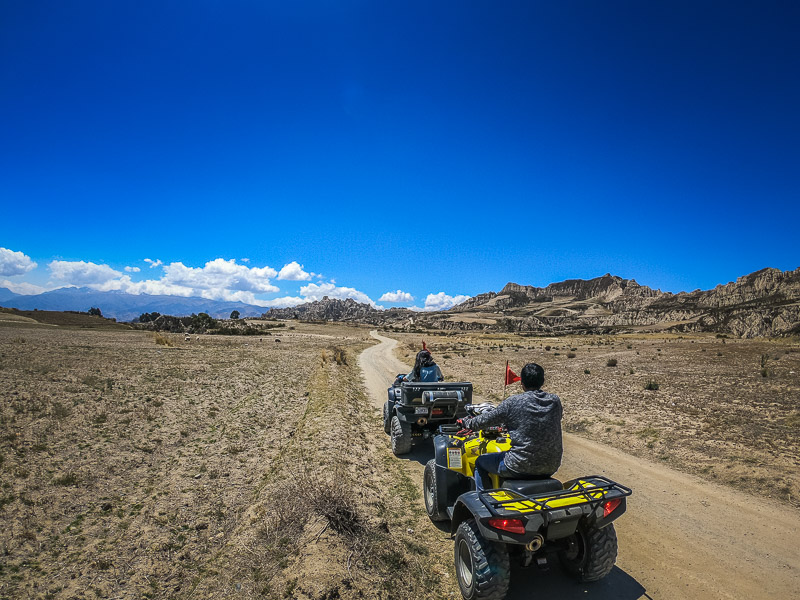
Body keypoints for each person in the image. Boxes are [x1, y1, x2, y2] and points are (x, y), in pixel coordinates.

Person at [460, 363, 562, 491]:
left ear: (522, 383)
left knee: (480, 462)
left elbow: (485, 420)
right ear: (542, 381)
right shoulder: (555, 401)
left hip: (519, 465)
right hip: (551, 466)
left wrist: (466, 423)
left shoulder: (513, 402)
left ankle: (483, 503)